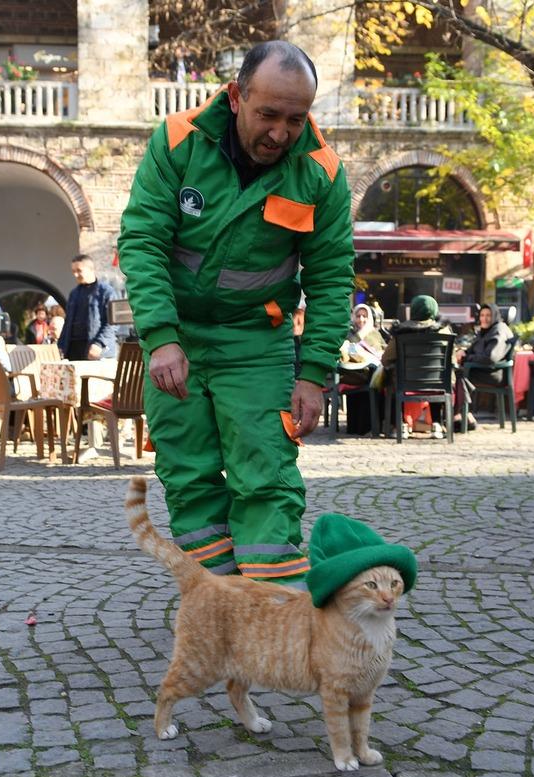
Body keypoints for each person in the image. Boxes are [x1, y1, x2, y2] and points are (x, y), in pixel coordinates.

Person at [118, 40, 354, 588]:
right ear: (236, 96)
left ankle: (273, 603)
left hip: (256, 343)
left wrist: (314, 373)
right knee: (188, 475)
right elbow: (143, 242)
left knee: (264, 473)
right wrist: (160, 336)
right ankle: (221, 603)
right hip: (176, 339)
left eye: (295, 119)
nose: (280, 133)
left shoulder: (320, 174)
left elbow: (331, 276)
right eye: (268, 114)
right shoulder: (178, 143)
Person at [381, 295, 452, 438]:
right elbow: (452, 360)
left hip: (405, 384)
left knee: (392, 375)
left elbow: (386, 359)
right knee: (438, 374)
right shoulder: (444, 332)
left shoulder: (401, 333)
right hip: (436, 384)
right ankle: (437, 424)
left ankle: (401, 425)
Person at [455, 302, 513, 430]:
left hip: (493, 374)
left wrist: (466, 358)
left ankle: (460, 416)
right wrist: (464, 352)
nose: (484, 318)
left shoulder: (499, 330)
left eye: (488, 315)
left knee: (457, 376)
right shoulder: (487, 331)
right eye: (482, 315)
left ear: (495, 316)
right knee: (456, 374)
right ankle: (462, 415)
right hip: (482, 371)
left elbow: (490, 357)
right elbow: (476, 349)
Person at [57, 254, 118, 360]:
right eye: (73, 271)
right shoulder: (74, 293)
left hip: (96, 349)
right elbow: (68, 323)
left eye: (79, 270)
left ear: (91, 269)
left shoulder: (107, 292)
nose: (75, 275)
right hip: (73, 349)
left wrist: (99, 343)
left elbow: (112, 323)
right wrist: (61, 346)